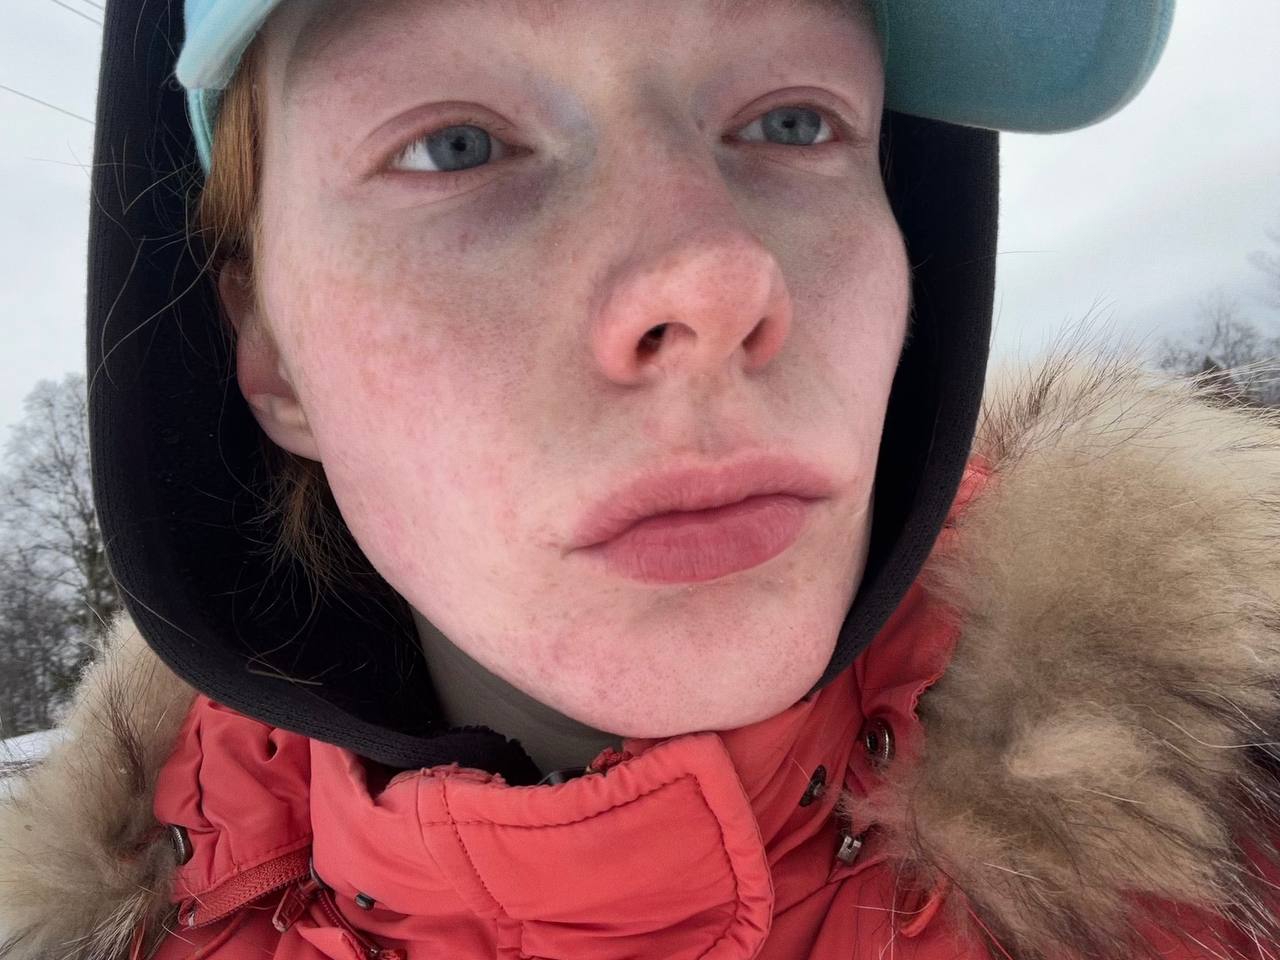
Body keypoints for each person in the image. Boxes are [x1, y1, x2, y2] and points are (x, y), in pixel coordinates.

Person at [3, 0, 1279, 957]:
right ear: (269, 353)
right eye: (455, 144)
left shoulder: (1242, 814)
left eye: (792, 120)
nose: (713, 282)